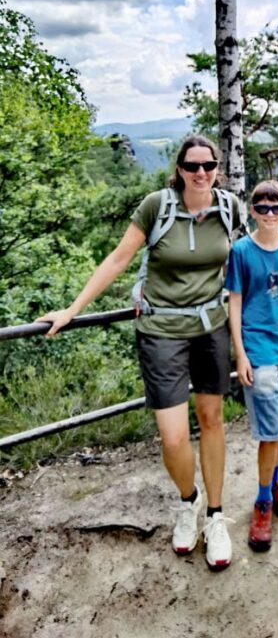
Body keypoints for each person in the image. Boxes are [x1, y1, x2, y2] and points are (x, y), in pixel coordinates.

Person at [36, 135, 239, 571]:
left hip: (211, 327)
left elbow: (233, 265)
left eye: (208, 165)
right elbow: (117, 259)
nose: (201, 173)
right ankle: (189, 501)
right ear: (180, 168)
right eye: (192, 166)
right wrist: (72, 310)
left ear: (217, 167)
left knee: (212, 420)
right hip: (161, 330)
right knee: (173, 436)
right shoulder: (156, 206)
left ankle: (217, 516)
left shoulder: (229, 208)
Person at [225, 179, 278, 554]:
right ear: (252, 211)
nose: (270, 214)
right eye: (263, 208)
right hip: (258, 349)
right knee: (270, 428)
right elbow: (235, 302)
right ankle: (263, 501)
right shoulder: (241, 251)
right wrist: (240, 353)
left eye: (277, 208)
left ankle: (274, 484)